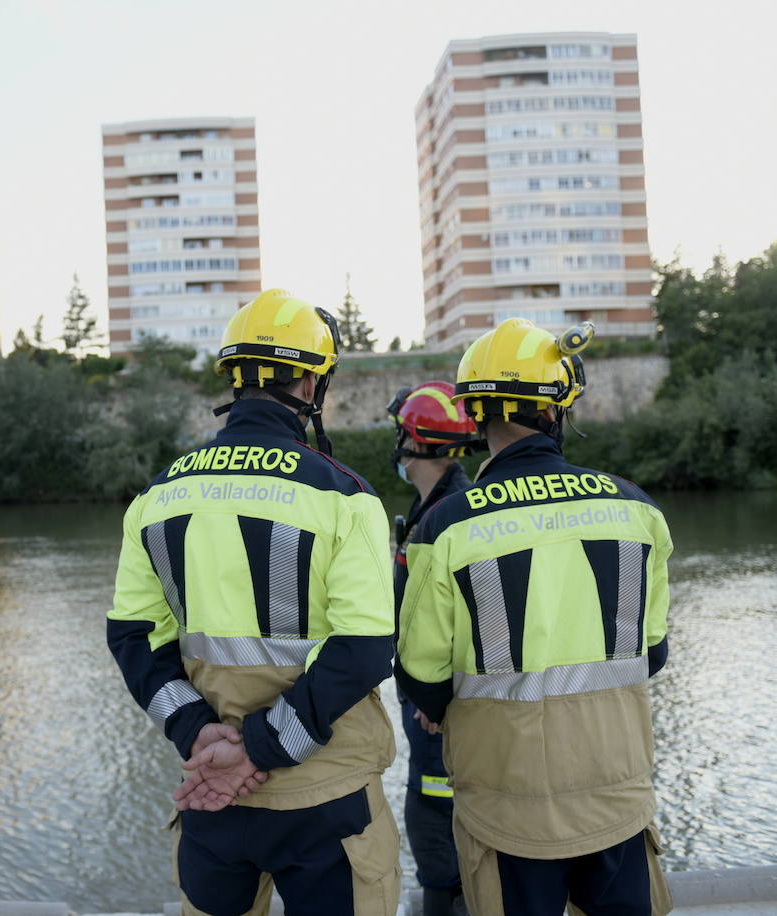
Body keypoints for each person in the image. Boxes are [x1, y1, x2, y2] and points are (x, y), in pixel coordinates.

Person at [107, 288, 400, 916]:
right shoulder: (344, 496)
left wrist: (197, 731)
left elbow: (134, 638)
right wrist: (260, 748)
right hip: (328, 799)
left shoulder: (158, 496)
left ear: (234, 378)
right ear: (310, 383)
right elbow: (368, 647)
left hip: (215, 799)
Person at [395, 318, 674, 916]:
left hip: (507, 803)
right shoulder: (636, 510)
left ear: (474, 413)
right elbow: (652, 652)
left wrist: (440, 707)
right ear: (559, 408)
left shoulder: (447, 526)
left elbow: (419, 670)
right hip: (615, 792)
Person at [385, 381, 476, 916]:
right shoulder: (432, 511)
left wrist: (437, 697)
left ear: (413, 441)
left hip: (440, 710)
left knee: (438, 821)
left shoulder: (453, 514)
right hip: (426, 703)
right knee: (431, 816)